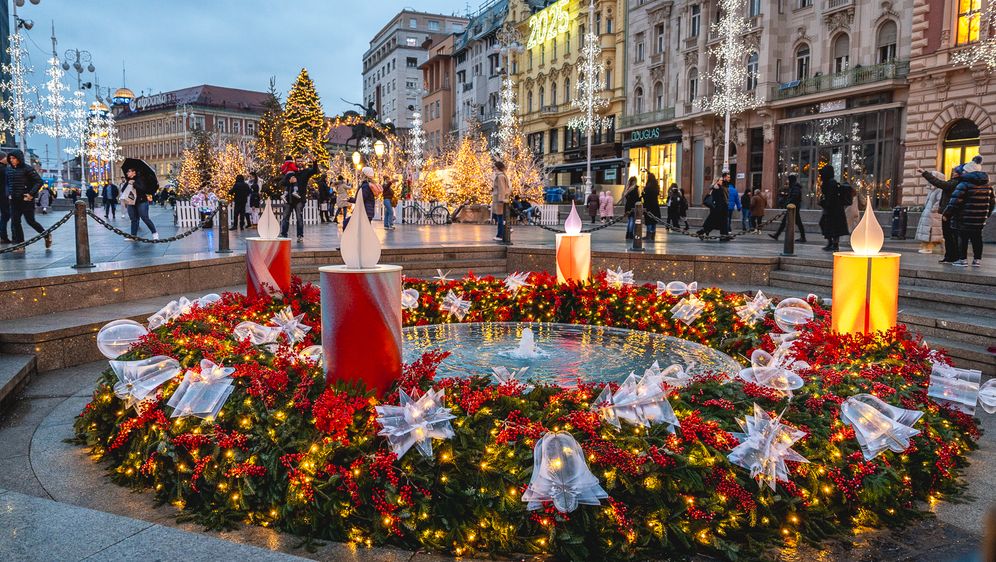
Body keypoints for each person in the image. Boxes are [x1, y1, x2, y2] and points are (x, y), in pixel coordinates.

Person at [943, 163, 994, 266]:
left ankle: (963, 260)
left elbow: (954, 202)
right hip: (980, 218)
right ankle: (977, 260)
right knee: (977, 238)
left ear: (968, 172)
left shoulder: (963, 185)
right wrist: (985, 215)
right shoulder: (988, 186)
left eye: (964, 171)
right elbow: (992, 203)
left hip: (963, 218)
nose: (963, 172)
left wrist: (947, 214)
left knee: (962, 237)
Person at [4, 149, 49, 250]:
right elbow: (8, 183)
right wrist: (9, 194)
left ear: (19, 159)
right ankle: (21, 245)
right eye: (10, 158)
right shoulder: (9, 170)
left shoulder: (27, 169)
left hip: (26, 200)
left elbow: (39, 182)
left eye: (14, 158)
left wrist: (31, 194)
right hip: (14, 200)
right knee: (15, 222)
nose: (12, 160)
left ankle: (46, 235)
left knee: (30, 221)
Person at [919, 166, 963, 263]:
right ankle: (952, 257)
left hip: (949, 213)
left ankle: (952, 257)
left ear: (959, 173)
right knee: (950, 236)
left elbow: (938, 183)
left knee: (949, 236)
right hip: (949, 212)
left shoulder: (954, 183)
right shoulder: (957, 182)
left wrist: (925, 173)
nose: (953, 173)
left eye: (955, 171)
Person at [279, 159, 319, 241]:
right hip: (288, 199)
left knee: (299, 218)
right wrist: (288, 181)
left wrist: (314, 161)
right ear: (295, 162)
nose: (300, 162)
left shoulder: (306, 172)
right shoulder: (291, 172)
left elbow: (315, 170)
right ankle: (283, 234)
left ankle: (300, 235)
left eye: (301, 161)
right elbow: (281, 182)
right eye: (298, 161)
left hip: (299, 199)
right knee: (285, 217)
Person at [817, 164, 851, 252]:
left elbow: (831, 197)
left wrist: (824, 203)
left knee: (833, 227)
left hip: (834, 210)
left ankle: (834, 244)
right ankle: (831, 243)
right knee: (826, 225)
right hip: (832, 209)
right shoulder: (828, 182)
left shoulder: (831, 182)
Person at [121, 166, 159, 239]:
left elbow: (143, 189)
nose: (127, 173)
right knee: (133, 220)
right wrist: (128, 183)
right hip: (131, 202)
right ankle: (133, 236)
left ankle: (155, 233)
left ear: (134, 172)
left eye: (129, 171)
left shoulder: (140, 179)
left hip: (141, 202)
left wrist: (134, 183)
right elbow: (123, 190)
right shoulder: (128, 180)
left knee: (145, 218)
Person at [770, 174, 807, 243]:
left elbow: (794, 197)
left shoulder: (795, 187)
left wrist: (788, 202)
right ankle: (777, 235)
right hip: (792, 207)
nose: (788, 181)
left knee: (796, 223)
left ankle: (777, 235)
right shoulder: (794, 187)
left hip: (793, 208)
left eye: (789, 180)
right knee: (792, 222)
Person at [915, 175, 944, 254]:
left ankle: (929, 247)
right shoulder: (932, 190)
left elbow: (940, 201)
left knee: (931, 231)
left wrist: (933, 209)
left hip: (933, 214)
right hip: (929, 213)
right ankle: (928, 246)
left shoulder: (939, 190)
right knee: (928, 230)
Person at [491, 161, 510, 241]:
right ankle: (502, 233)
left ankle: (500, 235)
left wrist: (501, 199)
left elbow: (502, 188)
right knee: (499, 217)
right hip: (498, 199)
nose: (494, 168)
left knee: (500, 218)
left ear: (498, 167)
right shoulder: (500, 175)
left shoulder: (500, 176)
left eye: (495, 166)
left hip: (499, 200)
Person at [642, 172, 662, 240]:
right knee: (653, 221)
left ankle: (648, 235)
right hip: (655, 206)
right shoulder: (656, 186)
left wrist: (643, 194)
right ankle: (653, 234)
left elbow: (646, 197)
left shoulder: (648, 187)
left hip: (649, 206)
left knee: (649, 221)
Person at [0, 151, 10, 244]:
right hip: (4, 196)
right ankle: (3, 236)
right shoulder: (4, 169)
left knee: (5, 215)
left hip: (2, 195)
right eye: (6, 157)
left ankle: (3, 236)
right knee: (6, 215)